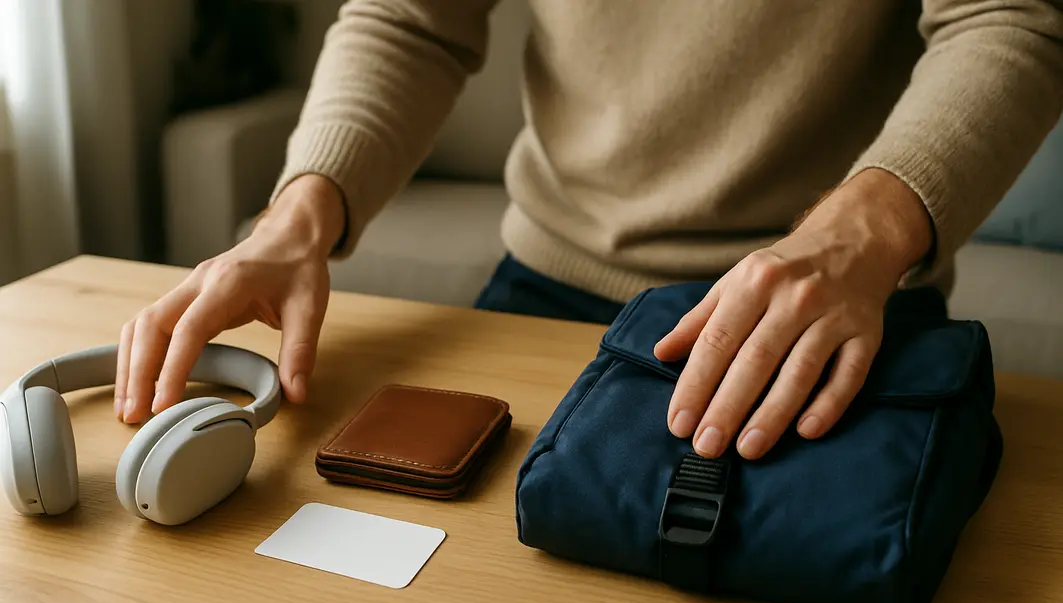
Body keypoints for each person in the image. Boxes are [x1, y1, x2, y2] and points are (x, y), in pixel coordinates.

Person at [114, 1, 1063, 462]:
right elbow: (410, 20)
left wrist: (858, 232)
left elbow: (1011, 17)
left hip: (838, 309)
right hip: (544, 299)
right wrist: (296, 216)